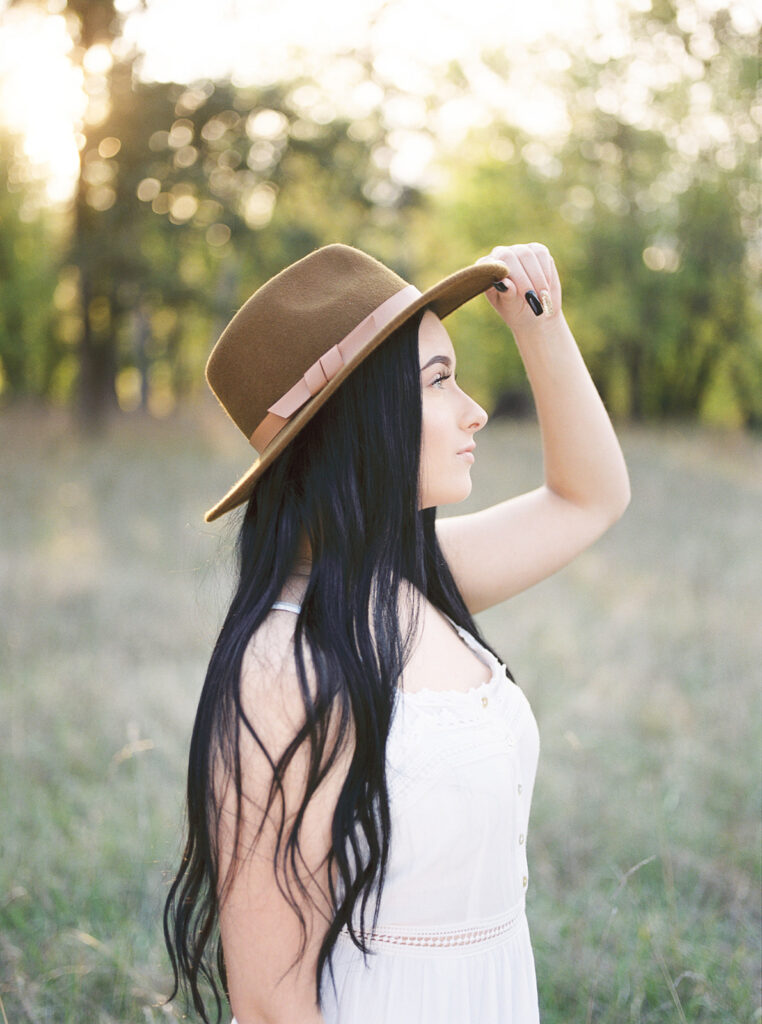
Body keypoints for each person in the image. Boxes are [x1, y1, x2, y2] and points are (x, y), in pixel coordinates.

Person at [163, 242, 631, 1024]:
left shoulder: (411, 579)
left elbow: (590, 498)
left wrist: (541, 329)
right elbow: (271, 1003)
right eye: (440, 381)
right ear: (357, 417)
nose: (474, 409)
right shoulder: (285, 665)